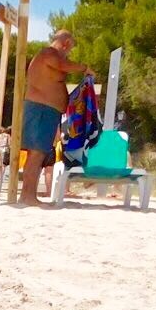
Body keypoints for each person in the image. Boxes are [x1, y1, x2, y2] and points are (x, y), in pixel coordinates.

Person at [21, 29, 91, 205]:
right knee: (36, 153)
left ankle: (29, 195)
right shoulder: (48, 54)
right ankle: (27, 196)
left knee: (39, 154)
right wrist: (84, 68)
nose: (69, 53)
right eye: (70, 49)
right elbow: (62, 65)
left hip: (48, 111)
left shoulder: (52, 56)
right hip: (41, 108)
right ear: (66, 43)